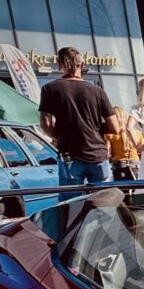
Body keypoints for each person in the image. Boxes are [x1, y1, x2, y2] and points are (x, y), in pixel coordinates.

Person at [38, 46, 118, 187]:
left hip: (69, 154)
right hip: (98, 154)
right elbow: (115, 127)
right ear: (82, 65)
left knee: (71, 198)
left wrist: (60, 135)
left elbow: (46, 124)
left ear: (60, 65)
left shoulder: (49, 89)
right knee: (104, 198)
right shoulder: (98, 91)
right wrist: (94, 128)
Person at [106, 106, 143, 181]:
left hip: (118, 165)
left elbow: (108, 153)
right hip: (135, 164)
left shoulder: (109, 134)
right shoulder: (137, 133)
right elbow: (142, 152)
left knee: (122, 187)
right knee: (137, 186)